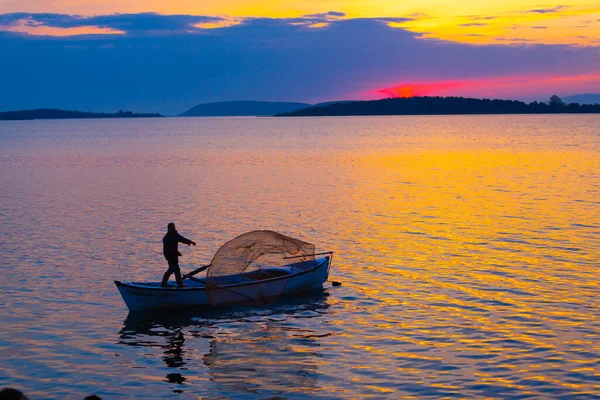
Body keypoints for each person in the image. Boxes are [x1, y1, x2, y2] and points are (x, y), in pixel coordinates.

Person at [161, 223, 196, 287]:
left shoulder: (175, 235)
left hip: (173, 255)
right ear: (169, 228)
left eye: (174, 227)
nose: (174, 228)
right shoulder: (167, 238)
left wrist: (190, 242)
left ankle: (163, 283)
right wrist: (176, 252)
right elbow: (168, 248)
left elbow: (182, 239)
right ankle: (180, 285)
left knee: (171, 269)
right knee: (176, 269)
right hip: (170, 256)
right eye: (173, 227)